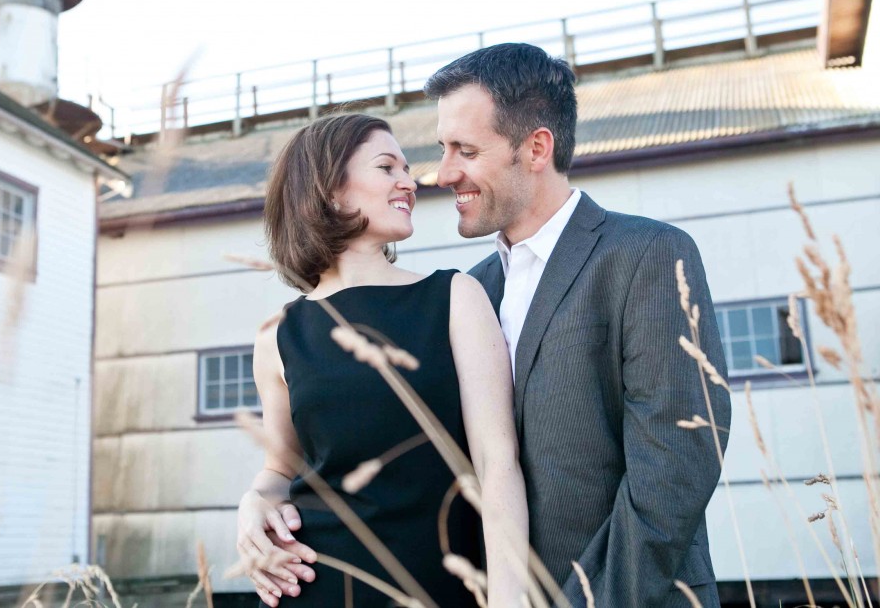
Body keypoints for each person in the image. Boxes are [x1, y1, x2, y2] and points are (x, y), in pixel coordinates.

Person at [239, 44, 733, 607]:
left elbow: (678, 461)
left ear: (536, 149)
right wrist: (255, 503)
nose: (440, 174)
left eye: (465, 151)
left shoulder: (645, 254)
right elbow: (293, 461)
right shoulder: (473, 287)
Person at [237, 113, 528, 607]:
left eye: (407, 168)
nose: (408, 182)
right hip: (315, 588)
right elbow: (280, 469)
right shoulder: (280, 335)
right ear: (329, 190)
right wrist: (254, 503)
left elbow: (497, 464)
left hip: (442, 588)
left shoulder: (455, 297)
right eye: (387, 167)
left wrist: (511, 600)